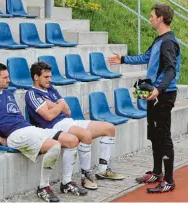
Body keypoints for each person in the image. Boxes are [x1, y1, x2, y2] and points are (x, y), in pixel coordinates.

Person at [0, 62, 87, 202]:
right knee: (54, 146)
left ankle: (66, 183)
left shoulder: (8, 94)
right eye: (5, 77)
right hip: (15, 135)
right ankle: (43, 187)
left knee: (72, 140)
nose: (9, 80)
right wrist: (1, 140)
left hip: (28, 129)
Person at [109, 4, 181, 193]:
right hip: (153, 94)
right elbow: (146, 57)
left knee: (163, 136)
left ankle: (169, 180)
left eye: (151, 16)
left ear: (160, 18)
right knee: (154, 134)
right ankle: (157, 172)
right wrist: (123, 59)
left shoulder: (169, 42)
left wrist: (159, 88)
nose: (149, 19)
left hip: (163, 95)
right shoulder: (159, 40)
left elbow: (170, 70)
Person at [25, 61, 125, 191]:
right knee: (86, 135)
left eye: (50, 76)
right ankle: (85, 175)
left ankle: (103, 170)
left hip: (68, 121)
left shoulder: (51, 89)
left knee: (109, 128)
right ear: (36, 77)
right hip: (54, 126)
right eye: (46, 77)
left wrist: (53, 105)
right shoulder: (32, 93)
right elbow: (48, 116)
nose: (49, 79)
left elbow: (67, 111)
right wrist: (59, 105)